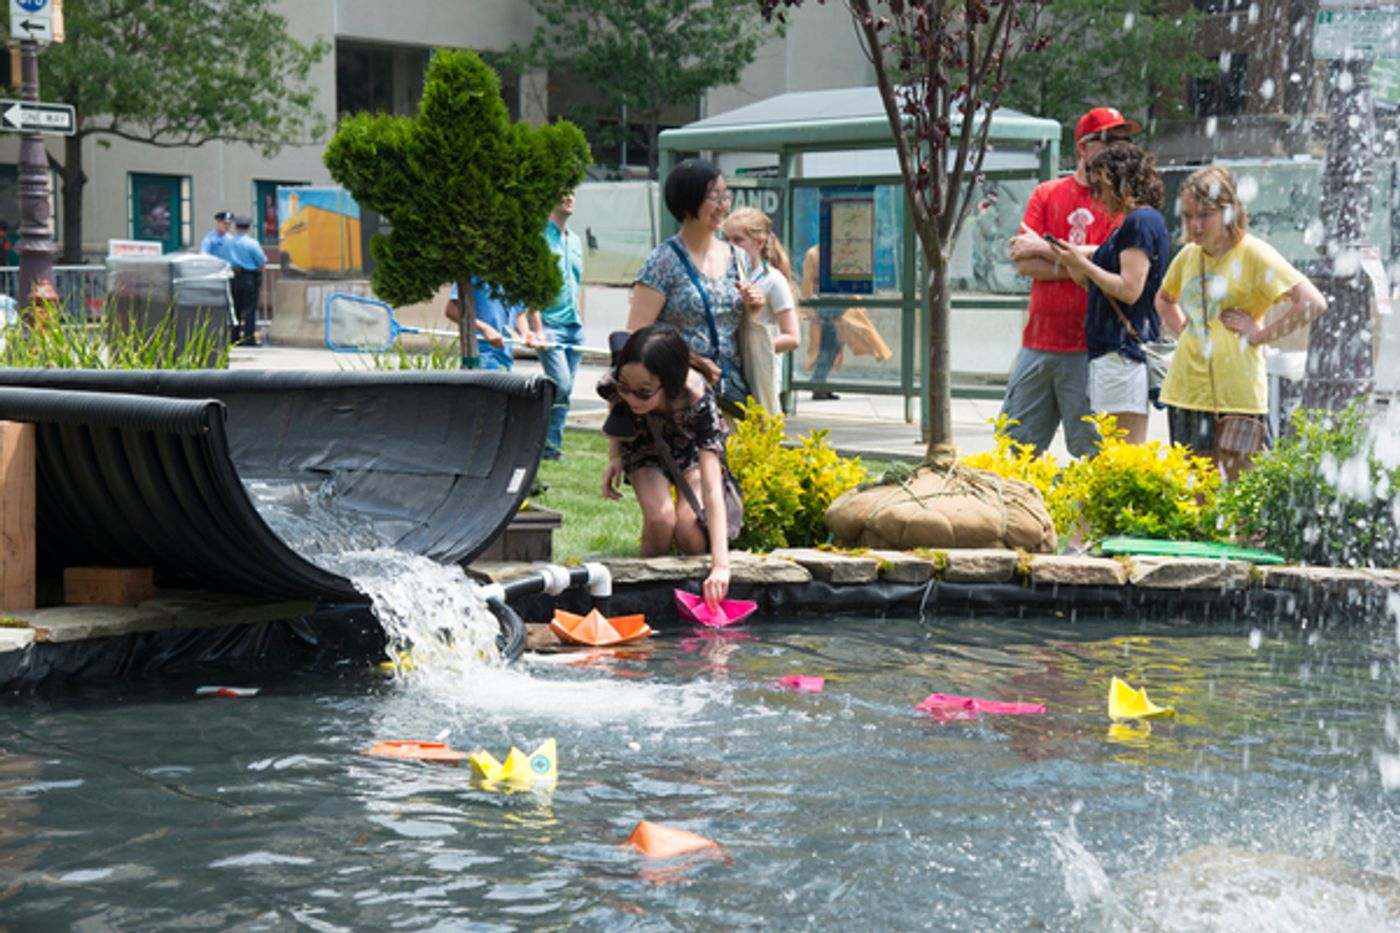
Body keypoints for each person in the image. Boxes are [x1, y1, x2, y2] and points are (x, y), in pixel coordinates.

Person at [1154, 164, 1328, 480]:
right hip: (1186, 389)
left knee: (1244, 492)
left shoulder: (1254, 253)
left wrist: (1261, 336)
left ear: (1229, 211)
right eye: (1187, 216)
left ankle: (1245, 534)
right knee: (1196, 493)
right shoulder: (1189, 255)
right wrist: (1185, 330)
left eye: (1204, 215)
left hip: (1238, 393)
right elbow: (1164, 299)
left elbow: (1312, 302)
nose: (1194, 226)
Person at [1002, 106, 1139, 458]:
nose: (1120, 148)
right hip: (1038, 344)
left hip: (1090, 349)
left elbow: (1114, 260)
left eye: (1126, 140)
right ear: (1083, 148)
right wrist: (1082, 264)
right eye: (1111, 140)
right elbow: (1025, 263)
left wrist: (1048, 248)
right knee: (1014, 452)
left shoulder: (1120, 201)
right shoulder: (1046, 194)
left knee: (1094, 457)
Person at [599, 325, 734, 610]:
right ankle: (645, 598)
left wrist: (721, 566)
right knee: (660, 520)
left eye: (644, 393)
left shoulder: (697, 398)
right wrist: (615, 456)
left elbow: (712, 489)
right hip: (644, 443)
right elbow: (616, 404)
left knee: (688, 527)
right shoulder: (624, 379)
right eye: (626, 387)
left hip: (689, 450)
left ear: (669, 383)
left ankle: (696, 595)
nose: (632, 398)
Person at [1044, 142, 1169, 445]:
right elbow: (1105, 287)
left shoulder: (1140, 221)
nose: (1097, 198)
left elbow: (1129, 290)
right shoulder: (1131, 223)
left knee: (1122, 449)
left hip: (1122, 352)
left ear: (1120, 182)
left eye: (1101, 187)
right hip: (1114, 351)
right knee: (1116, 447)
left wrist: (1085, 266)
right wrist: (1077, 265)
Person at [627, 158, 763, 417]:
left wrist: (754, 306)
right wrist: (694, 361)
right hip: (679, 391)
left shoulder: (738, 257)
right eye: (715, 197)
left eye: (726, 195)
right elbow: (637, 334)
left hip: (731, 389)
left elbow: (737, 326)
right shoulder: (663, 261)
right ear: (688, 200)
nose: (724, 205)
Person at [522, 193, 584, 460]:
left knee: (565, 390)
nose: (569, 197)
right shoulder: (539, 239)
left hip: (575, 327)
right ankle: (546, 447)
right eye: (563, 192)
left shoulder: (577, 241)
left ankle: (551, 447)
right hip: (549, 325)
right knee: (561, 385)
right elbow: (533, 288)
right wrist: (538, 328)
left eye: (573, 192)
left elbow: (576, 284)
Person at [721, 206, 800, 414]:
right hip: (726, 374)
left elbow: (793, 337)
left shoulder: (773, 280)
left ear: (759, 243)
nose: (730, 246)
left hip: (760, 376)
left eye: (738, 240)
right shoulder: (722, 276)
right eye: (726, 238)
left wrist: (753, 348)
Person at [798, 244, 892, 400]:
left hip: (835, 304)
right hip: (826, 305)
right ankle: (818, 383)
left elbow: (849, 280)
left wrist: (857, 302)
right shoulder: (814, 254)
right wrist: (809, 309)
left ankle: (819, 383)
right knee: (830, 345)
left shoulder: (840, 252)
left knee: (832, 345)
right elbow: (808, 283)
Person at [444, 279, 528, 371]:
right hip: (479, 354)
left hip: (505, 357)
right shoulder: (471, 272)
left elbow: (519, 312)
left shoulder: (512, 274)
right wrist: (485, 329)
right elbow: (451, 310)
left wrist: (526, 333)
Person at [225, 215, 268, 346]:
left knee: (235, 309)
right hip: (249, 277)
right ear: (249, 228)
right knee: (250, 310)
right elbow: (262, 262)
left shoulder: (228, 243)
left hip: (233, 277)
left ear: (236, 227)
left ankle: (235, 337)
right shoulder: (252, 243)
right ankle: (249, 338)